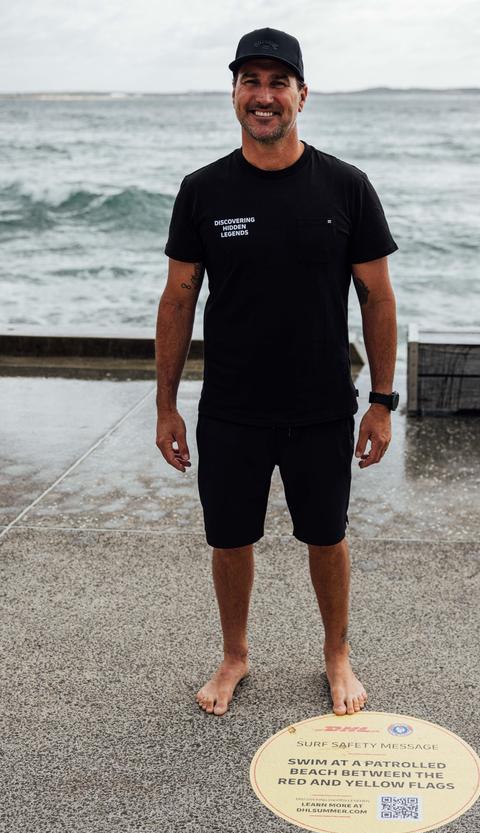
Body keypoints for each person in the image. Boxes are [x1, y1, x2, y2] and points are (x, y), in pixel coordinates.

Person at [155, 27, 399, 718]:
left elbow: (377, 296)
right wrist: (165, 406)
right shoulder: (202, 190)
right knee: (229, 536)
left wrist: (381, 400)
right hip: (231, 404)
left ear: (301, 94)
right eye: (250, 82)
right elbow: (178, 298)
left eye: (277, 82)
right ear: (234, 93)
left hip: (322, 403)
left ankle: (336, 654)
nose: (264, 97)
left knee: (327, 532)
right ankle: (235, 654)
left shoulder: (347, 187)